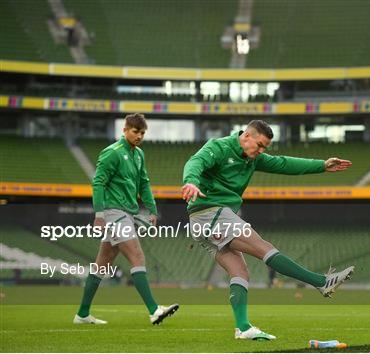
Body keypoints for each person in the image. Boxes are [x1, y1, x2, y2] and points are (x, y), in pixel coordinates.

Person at [182, 120, 354, 340]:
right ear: (246, 137)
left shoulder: (252, 159)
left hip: (207, 220)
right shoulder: (219, 147)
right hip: (210, 213)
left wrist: (321, 165)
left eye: (265, 148)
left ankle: (243, 328)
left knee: (240, 272)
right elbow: (195, 162)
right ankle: (321, 282)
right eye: (260, 145)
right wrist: (190, 181)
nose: (261, 152)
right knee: (264, 247)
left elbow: (284, 164)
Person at [74, 113, 178, 325]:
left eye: (142, 133)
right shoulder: (111, 153)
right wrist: (100, 214)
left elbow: (144, 184)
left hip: (128, 213)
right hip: (114, 213)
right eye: (135, 131)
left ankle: (82, 314)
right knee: (137, 257)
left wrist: (152, 209)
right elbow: (98, 183)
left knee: (101, 265)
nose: (139, 136)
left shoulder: (139, 154)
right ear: (125, 130)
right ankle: (154, 310)